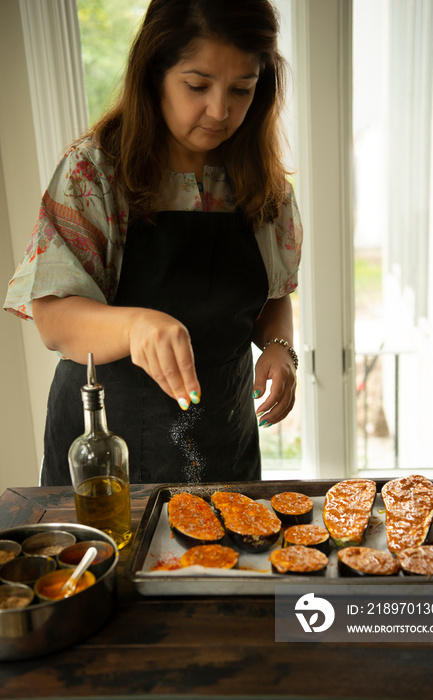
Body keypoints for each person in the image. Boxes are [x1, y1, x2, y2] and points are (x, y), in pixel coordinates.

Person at [4, 0, 302, 486]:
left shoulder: (263, 185)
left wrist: (278, 347)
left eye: (242, 90)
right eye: (197, 85)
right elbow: (53, 319)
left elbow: (272, 294)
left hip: (224, 442)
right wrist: (135, 326)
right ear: (154, 73)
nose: (220, 110)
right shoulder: (93, 173)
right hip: (106, 450)